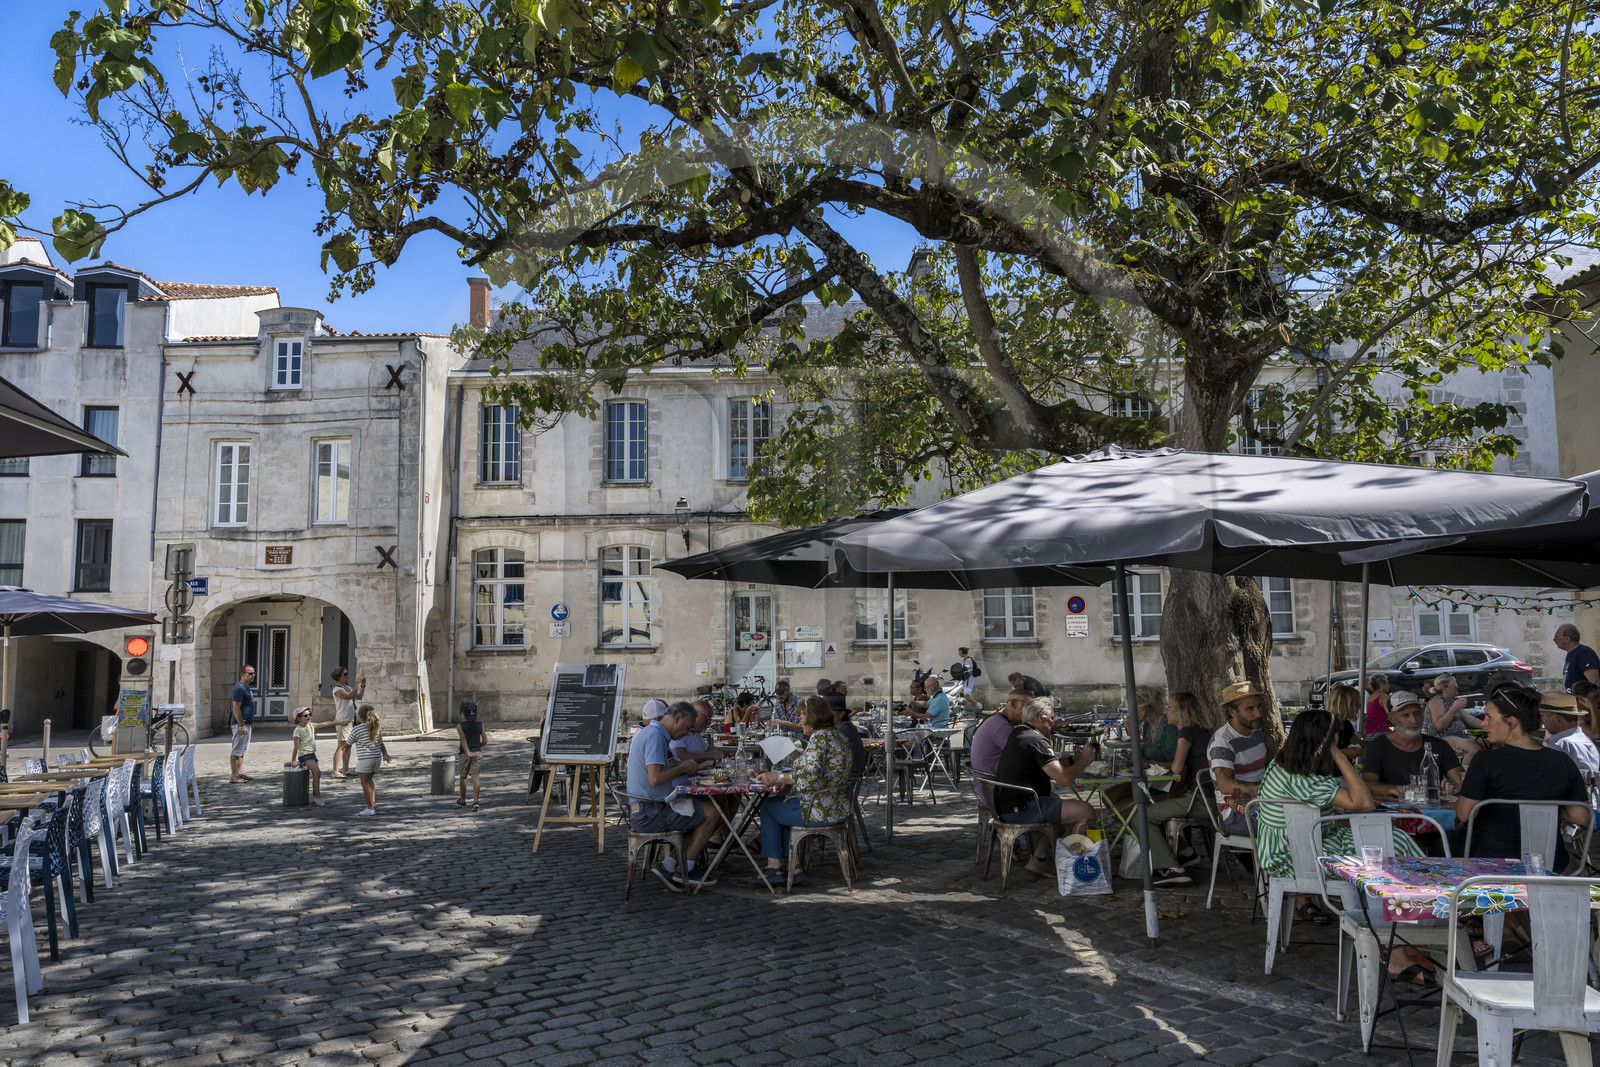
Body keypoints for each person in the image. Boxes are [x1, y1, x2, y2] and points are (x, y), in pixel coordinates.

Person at [1255, 710, 1423, 952]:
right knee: (1394, 846)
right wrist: (1339, 756)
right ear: (1328, 739)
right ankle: (1413, 931)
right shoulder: (1304, 778)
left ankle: (1406, 929)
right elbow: (1365, 803)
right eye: (1337, 737)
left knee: (1392, 841)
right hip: (1295, 857)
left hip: (1299, 846)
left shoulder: (1284, 765)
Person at [1456, 685, 1590, 858]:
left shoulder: (1486, 761)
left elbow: (1464, 814)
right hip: (1548, 865)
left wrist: (1462, 790)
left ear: (1512, 722)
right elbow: (1581, 816)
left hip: (1490, 864)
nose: (1483, 723)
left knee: (1440, 843)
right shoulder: (1562, 761)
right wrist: (1546, 806)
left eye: (1488, 717)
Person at [750, 697, 853, 887]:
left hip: (818, 810)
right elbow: (818, 768)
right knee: (780, 805)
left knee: (768, 806)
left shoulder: (819, 739)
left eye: (802, 715)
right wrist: (794, 754)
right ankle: (793, 866)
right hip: (837, 807)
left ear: (812, 717)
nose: (800, 720)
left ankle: (774, 866)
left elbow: (809, 777)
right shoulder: (837, 736)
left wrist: (777, 778)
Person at [992, 698, 1098, 878]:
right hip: (1021, 808)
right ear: (1040, 717)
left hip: (1007, 804)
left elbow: (1051, 765)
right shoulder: (1035, 740)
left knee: (1055, 802)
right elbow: (1064, 779)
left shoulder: (1020, 733)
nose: (1054, 723)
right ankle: (1076, 867)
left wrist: (1077, 757)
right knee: (1085, 812)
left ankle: (1039, 859)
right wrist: (1085, 760)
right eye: (1051, 718)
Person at [1119, 691, 1214, 887]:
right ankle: (1185, 854)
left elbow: (1177, 768)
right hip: (1207, 796)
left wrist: (1149, 762)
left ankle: (1174, 869)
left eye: (1170, 707)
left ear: (1182, 711)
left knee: (1140, 815)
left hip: (1200, 799)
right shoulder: (1200, 730)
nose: (1166, 710)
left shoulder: (1186, 732)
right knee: (1151, 804)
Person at [625, 702, 720, 890]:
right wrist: (683, 767)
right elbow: (655, 779)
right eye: (687, 728)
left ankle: (668, 866)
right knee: (713, 812)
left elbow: (660, 770)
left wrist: (686, 766)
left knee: (700, 812)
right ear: (677, 718)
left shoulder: (650, 732)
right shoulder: (654, 736)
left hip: (646, 807)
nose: (687, 733)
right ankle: (687, 867)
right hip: (649, 812)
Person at [1360, 693, 1464, 799]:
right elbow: (1367, 783)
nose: (1414, 720)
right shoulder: (1378, 746)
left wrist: (1455, 786)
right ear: (1391, 718)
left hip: (1432, 812)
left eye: (1417, 713)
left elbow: (1462, 780)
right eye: (1405, 715)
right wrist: (1395, 789)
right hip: (1393, 812)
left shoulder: (1439, 745)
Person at [1208, 680, 1268, 835]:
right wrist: (1265, 790)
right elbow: (1225, 786)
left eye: (1259, 707)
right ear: (1232, 712)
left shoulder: (1256, 731)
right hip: (1235, 813)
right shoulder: (1222, 742)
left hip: (1262, 803)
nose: (1258, 714)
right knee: (1287, 827)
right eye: (1250, 709)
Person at [1422, 673, 1483, 764]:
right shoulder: (1437, 701)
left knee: (1489, 743)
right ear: (1445, 688)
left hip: (1461, 736)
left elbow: (1470, 720)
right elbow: (1440, 726)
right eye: (1454, 684)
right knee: (1474, 748)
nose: (1457, 686)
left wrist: (1489, 725)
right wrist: (1454, 708)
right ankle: (1462, 776)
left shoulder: (1453, 701)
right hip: (1441, 738)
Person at [971, 689, 1028, 784]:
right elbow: (1026, 756)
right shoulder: (1001, 726)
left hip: (997, 784)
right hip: (999, 790)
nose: (1030, 712)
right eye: (1028, 707)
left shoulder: (998, 721)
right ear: (1014, 704)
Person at [1539, 692, 1600, 776]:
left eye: (1542, 716)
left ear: (1556, 717)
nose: (1542, 721)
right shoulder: (1588, 742)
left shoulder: (1559, 746)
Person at [349, 704, 393, 816]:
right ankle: (373, 801)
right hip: (376, 758)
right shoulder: (376, 727)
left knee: (365, 784)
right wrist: (385, 754)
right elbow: (381, 742)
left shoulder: (357, 729)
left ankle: (370, 808)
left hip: (365, 760)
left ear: (359, 716)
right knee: (369, 780)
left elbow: (348, 742)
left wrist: (342, 748)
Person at [329, 666, 366, 780]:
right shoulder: (337, 690)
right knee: (341, 746)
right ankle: (335, 771)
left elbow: (358, 696)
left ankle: (345, 769)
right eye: (345, 674)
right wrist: (357, 682)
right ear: (339, 677)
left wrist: (363, 685)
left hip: (351, 720)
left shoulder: (349, 687)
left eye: (347, 673)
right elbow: (350, 696)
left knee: (348, 746)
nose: (347, 675)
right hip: (342, 721)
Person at [288, 706, 329, 806]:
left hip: (312, 754)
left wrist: (338, 722)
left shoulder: (310, 726)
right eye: (305, 715)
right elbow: (296, 747)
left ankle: (315, 796)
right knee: (317, 772)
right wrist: (293, 760)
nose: (308, 717)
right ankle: (317, 797)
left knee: (317, 774)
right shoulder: (298, 730)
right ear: (298, 718)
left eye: (309, 714)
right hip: (304, 755)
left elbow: (324, 724)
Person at [456, 699, 487, 811]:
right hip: (477, 753)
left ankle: (463, 800)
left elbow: (463, 739)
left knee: (463, 776)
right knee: (475, 776)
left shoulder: (460, 726)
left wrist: (468, 751)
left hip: (465, 754)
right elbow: (485, 740)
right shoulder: (480, 725)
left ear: (463, 713)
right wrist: (479, 746)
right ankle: (475, 801)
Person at [229, 664, 257, 784]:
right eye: (250, 673)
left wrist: (250, 723)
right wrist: (241, 724)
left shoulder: (246, 688)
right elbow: (236, 708)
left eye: (253, 673)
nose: (252, 676)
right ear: (242, 674)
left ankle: (240, 772)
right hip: (240, 723)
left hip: (247, 723)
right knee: (236, 749)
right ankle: (234, 776)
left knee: (242, 749)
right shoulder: (239, 688)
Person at [1324, 684, 1366, 759]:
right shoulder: (1324, 724)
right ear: (1347, 705)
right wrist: (1343, 752)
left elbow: (1359, 743)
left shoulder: (1346, 724)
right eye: (1357, 704)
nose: (1359, 707)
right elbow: (1315, 754)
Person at [1554, 622, 1600, 690]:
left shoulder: (1584, 653)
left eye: (1557, 637)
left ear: (1567, 639)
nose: (1554, 639)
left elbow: (1595, 682)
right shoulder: (1572, 653)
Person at [1572, 679, 1600, 744]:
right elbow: (1596, 735)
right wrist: (1593, 709)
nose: (1599, 699)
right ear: (1581, 699)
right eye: (1595, 697)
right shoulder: (1573, 713)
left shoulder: (1589, 710)